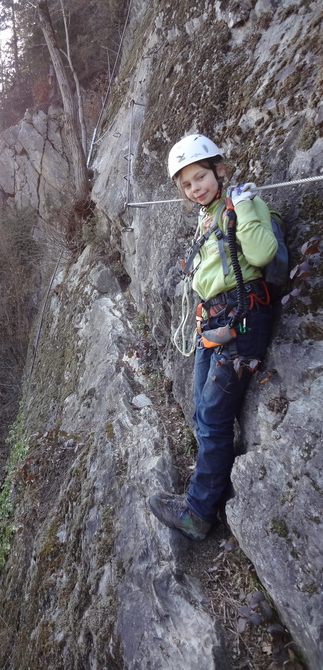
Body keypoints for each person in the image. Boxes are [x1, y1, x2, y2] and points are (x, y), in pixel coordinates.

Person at [148, 134, 278, 540]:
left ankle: (198, 513)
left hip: (241, 324)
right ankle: (203, 490)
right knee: (204, 414)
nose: (195, 188)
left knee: (216, 418)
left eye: (200, 177)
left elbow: (260, 255)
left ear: (218, 170)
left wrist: (244, 205)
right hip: (215, 325)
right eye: (187, 184)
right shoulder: (208, 217)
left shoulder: (242, 203)